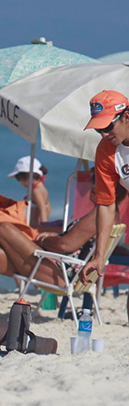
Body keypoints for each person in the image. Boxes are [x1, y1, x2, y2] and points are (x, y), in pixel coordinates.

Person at [0, 177, 124, 316]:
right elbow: (72, 242)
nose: (92, 184)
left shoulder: (100, 213)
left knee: (2, 228)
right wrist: (50, 237)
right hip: (59, 268)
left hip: (62, 274)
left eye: (97, 179)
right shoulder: (109, 214)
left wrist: (42, 239)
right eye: (93, 179)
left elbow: (66, 244)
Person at [80, 90, 129, 286]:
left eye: (108, 126)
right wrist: (99, 255)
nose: (104, 134)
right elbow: (106, 205)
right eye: (98, 129)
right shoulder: (106, 150)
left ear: (126, 116)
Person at [8, 155, 51, 225]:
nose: (20, 182)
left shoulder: (36, 190)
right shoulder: (41, 187)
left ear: (27, 176)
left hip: (33, 228)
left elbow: (43, 210)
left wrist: (44, 227)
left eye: (19, 178)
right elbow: (48, 208)